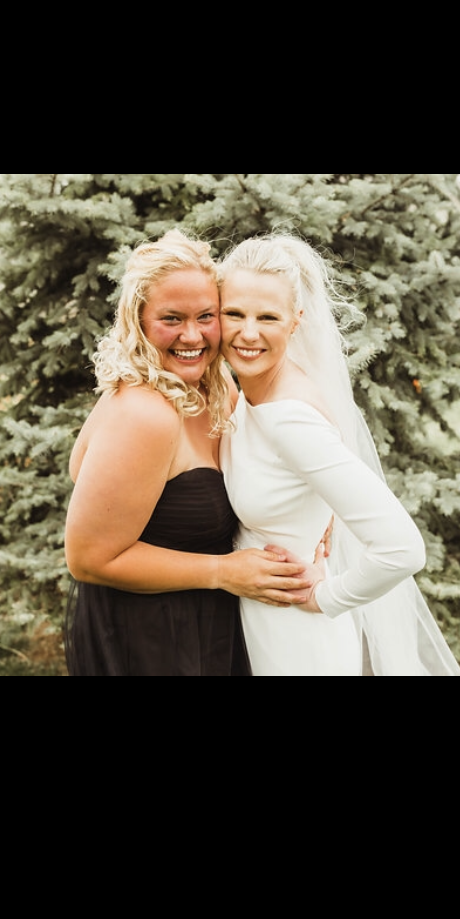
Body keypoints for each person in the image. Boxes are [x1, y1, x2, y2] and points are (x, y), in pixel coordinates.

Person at [63, 230, 314, 676]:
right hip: (153, 637)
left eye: (207, 316)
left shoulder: (215, 392)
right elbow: (87, 558)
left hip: (204, 622)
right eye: (172, 318)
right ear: (138, 320)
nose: (192, 335)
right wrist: (223, 572)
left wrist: (319, 516)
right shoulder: (145, 411)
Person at [217, 234, 460, 677]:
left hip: (294, 642)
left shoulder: (291, 419)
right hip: (254, 629)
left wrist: (325, 596)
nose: (247, 332)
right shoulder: (249, 396)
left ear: (296, 322)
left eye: (267, 317)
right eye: (233, 313)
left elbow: (402, 548)